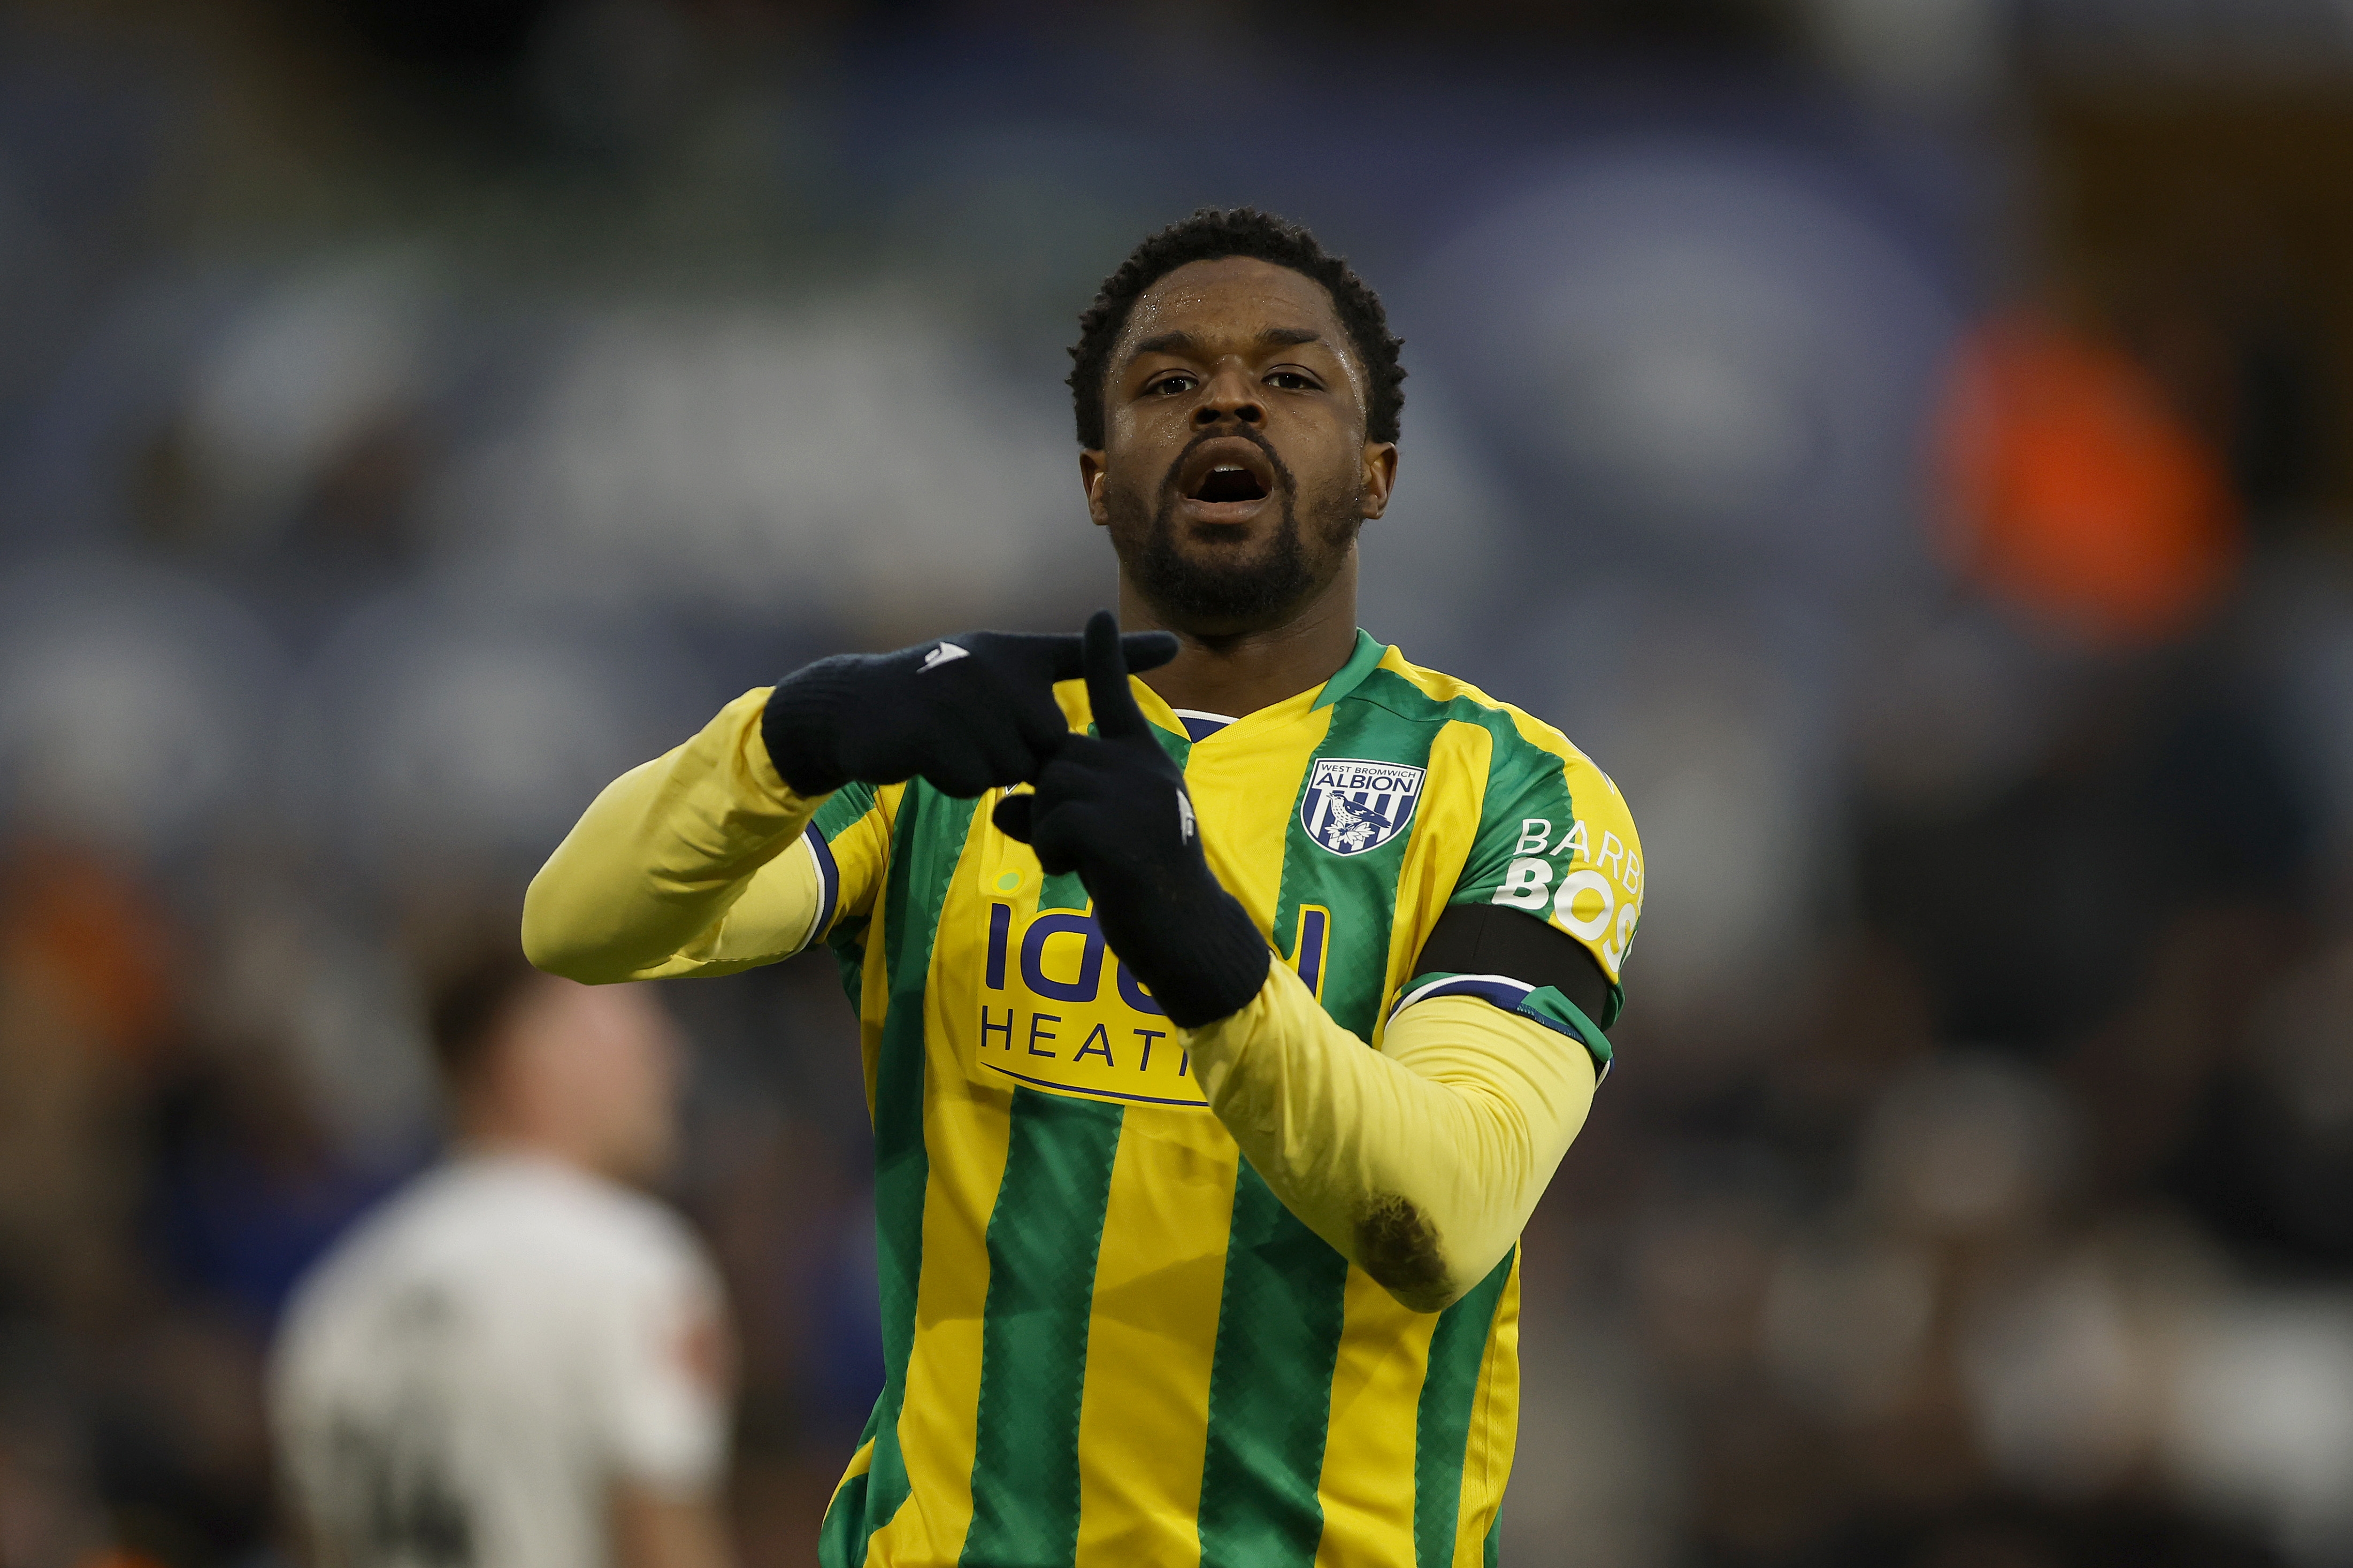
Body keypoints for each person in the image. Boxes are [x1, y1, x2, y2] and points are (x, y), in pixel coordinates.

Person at [523, 206, 1645, 1567]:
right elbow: (580, 923)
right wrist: (795, 729)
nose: (1226, 395)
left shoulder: (1518, 792)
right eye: (1168, 380)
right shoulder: (961, 746)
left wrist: (1190, 931)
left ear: (1376, 474)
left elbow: (1445, 1213)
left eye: (1291, 377)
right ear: (1099, 476)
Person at [270, 948, 735, 1568]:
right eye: (637, 1033)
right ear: (530, 1057)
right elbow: (665, 1544)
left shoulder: (337, 1302)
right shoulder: (632, 1265)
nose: (673, 1061)